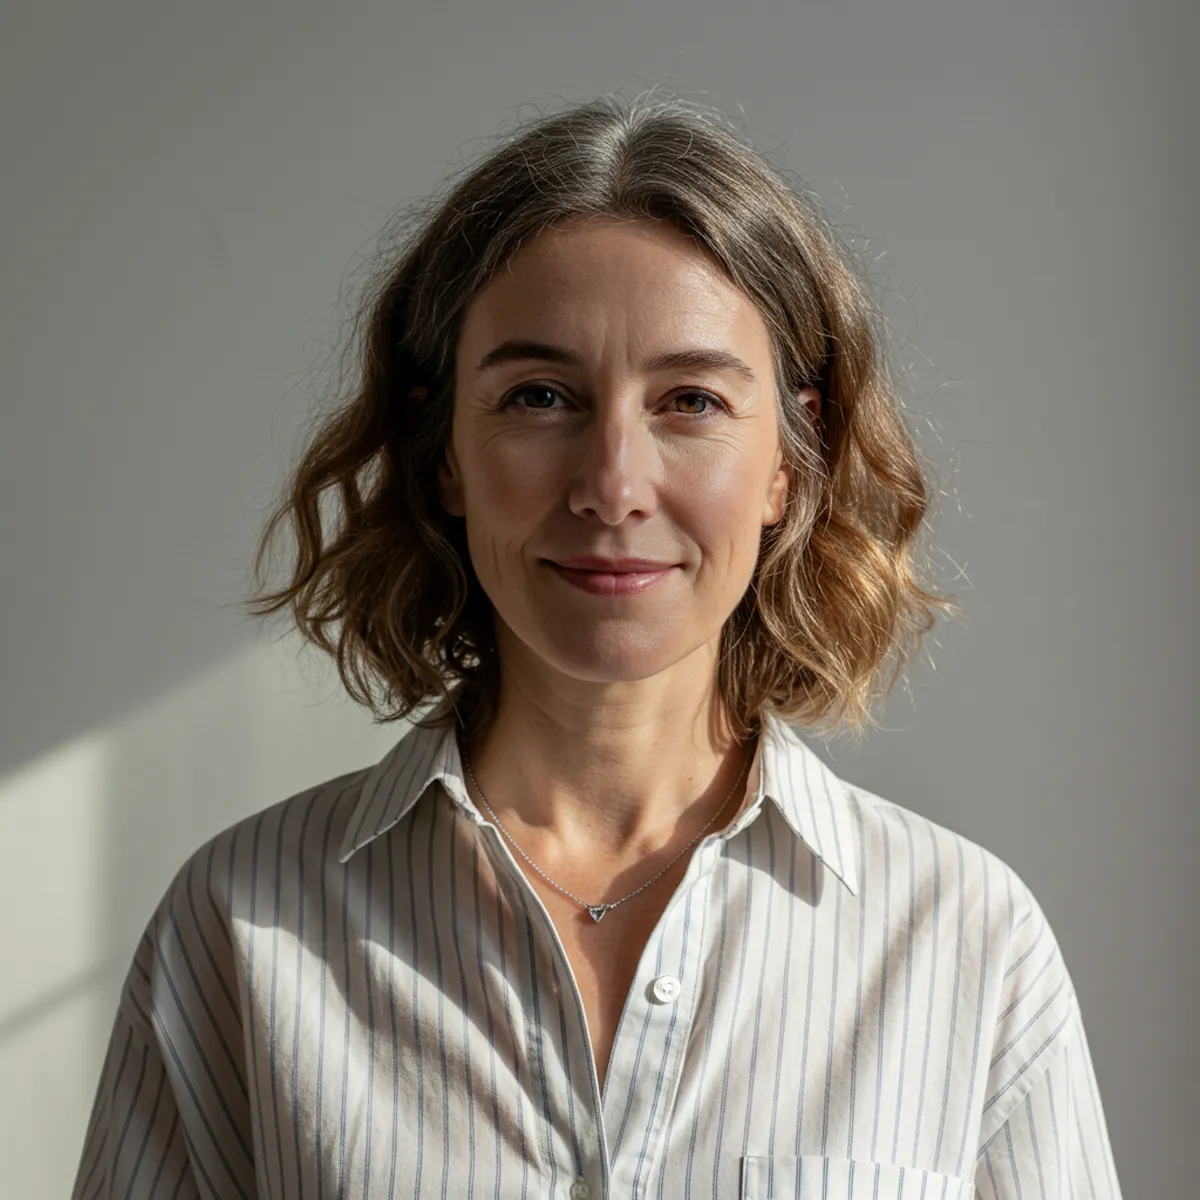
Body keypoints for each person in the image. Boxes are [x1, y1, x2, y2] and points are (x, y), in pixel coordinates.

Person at [71, 91, 1123, 1199]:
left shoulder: (966, 938)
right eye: (539, 395)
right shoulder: (238, 922)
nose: (613, 487)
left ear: (786, 461)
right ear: (443, 455)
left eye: (691, 401)